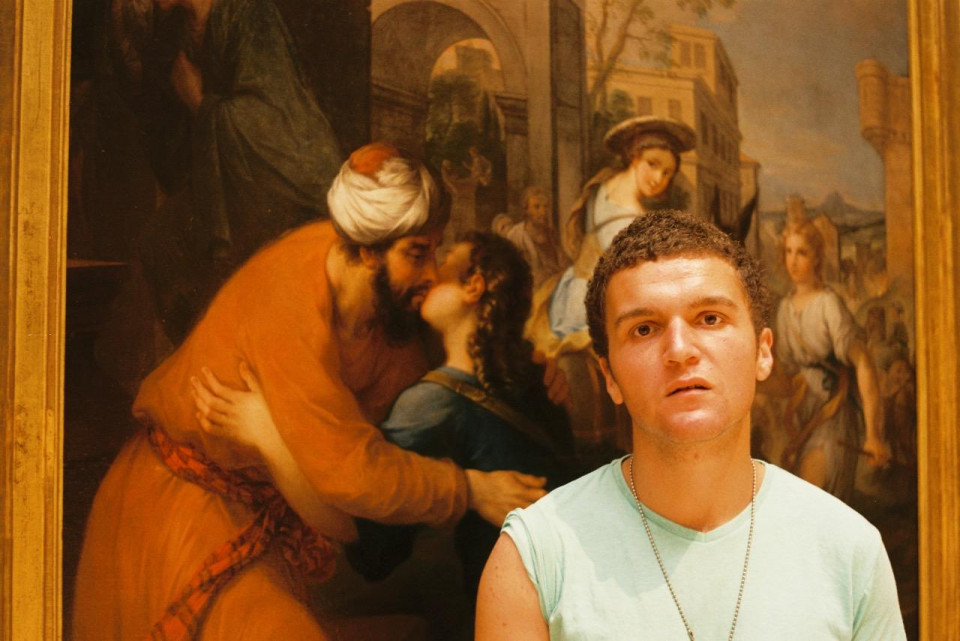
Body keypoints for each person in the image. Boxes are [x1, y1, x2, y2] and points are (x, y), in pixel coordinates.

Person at [72, 143, 550, 641]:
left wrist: (528, 368)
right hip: (179, 512)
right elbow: (352, 477)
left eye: (434, 250)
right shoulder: (288, 297)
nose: (431, 272)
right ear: (368, 249)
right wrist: (467, 489)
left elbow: (451, 365)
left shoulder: (390, 307)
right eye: (416, 252)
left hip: (267, 519)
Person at [476, 211, 906, 640]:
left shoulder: (849, 550)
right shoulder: (535, 557)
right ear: (610, 377)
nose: (680, 350)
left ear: (763, 353)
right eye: (644, 329)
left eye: (710, 319)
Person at [193, 231, 574, 636]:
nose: (430, 276)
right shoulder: (536, 381)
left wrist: (265, 434)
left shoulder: (432, 404)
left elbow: (364, 544)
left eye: (443, 267)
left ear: (473, 287)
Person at [129, 0, 345, 343]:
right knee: (161, 243)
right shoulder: (178, 30)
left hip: (283, 178)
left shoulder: (249, 13)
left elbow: (272, 122)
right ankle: (206, 355)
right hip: (226, 177)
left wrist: (199, 102)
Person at [532, 115, 695, 349]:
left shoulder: (604, 183)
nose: (658, 179)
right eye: (652, 164)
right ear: (634, 157)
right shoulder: (631, 218)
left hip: (570, 292)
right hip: (590, 308)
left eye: (667, 173)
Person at [771, 221, 889, 500]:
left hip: (833, 412)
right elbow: (788, 380)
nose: (793, 261)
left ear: (817, 258)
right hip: (803, 419)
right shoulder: (784, 309)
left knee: (809, 496)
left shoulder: (828, 304)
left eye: (802, 252)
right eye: (789, 251)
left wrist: (873, 434)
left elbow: (863, 362)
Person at [492, 186, 567, 287]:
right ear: (526, 210)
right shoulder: (516, 236)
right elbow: (509, 272)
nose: (543, 212)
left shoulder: (552, 234)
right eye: (537, 207)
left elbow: (562, 265)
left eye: (545, 207)